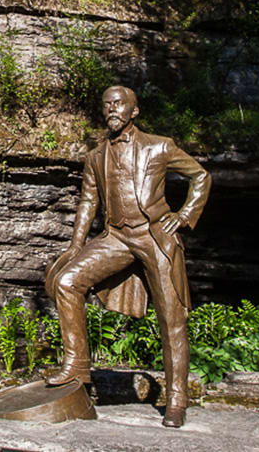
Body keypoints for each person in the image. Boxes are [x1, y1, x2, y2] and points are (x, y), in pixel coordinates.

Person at [44, 85, 211, 428]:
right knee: (66, 280)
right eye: (107, 106)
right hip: (116, 238)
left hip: (155, 237)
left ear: (134, 111)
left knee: (171, 317)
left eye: (119, 105)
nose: (112, 111)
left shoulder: (160, 146)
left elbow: (201, 176)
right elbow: (88, 202)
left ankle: (177, 399)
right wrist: (76, 245)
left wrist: (183, 216)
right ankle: (77, 367)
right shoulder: (95, 156)